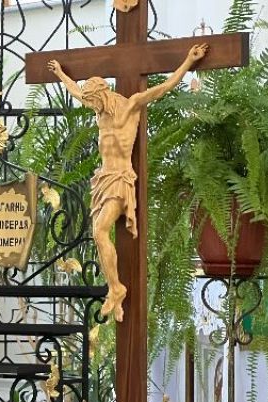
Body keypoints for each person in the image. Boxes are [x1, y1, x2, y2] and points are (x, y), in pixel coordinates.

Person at [47, 43, 207, 322]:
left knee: (99, 232)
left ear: (102, 94)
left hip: (121, 179)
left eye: (92, 101)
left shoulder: (130, 105)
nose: (90, 107)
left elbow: (164, 88)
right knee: (99, 233)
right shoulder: (98, 109)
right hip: (103, 179)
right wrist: (61, 74)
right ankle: (115, 289)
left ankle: (117, 288)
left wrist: (188, 61)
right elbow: (76, 91)